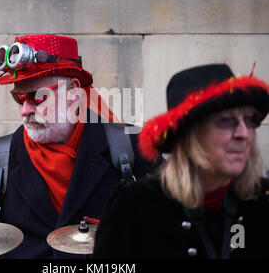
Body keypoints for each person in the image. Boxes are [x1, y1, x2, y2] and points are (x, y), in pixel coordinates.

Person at [0, 34, 161, 258]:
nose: (24, 111)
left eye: (37, 97)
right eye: (19, 98)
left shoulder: (135, 147)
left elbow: (167, 236)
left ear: (73, 93)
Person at [93, 63, 269, 259]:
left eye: (250, 120)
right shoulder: (136, 205)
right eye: (226, 120)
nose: (243, 134)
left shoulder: (262, 201)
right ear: (189, 135)